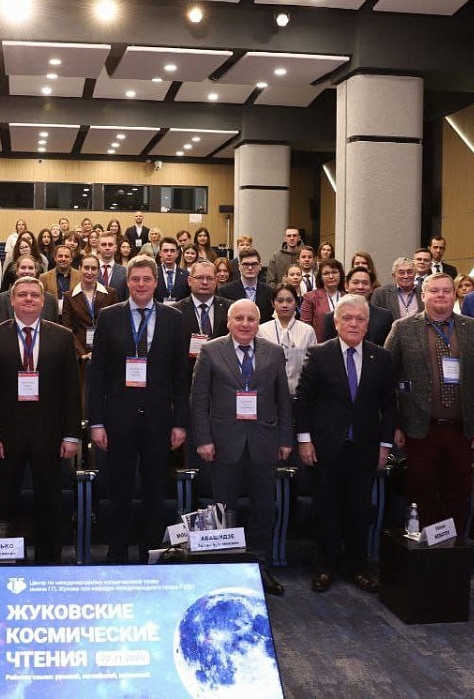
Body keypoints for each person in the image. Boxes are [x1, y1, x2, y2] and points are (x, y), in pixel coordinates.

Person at [86, 255, 191, 562]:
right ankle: (117, 551)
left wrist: (180, 422)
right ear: (127, 282)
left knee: (154, 491)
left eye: (147, 279)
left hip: (159, 420)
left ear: (156, 283)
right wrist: (96, 422)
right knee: (118, 490)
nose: (141, 284)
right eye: (135, 279)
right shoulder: (109, 316)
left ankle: (150, 552)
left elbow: (180, 376)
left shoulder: (174, 318)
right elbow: (97, 373)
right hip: (118, 419)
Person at [295, 294, 396, 594]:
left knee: (359, 510)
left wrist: (385, 445)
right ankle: (325, 565)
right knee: (326, 508)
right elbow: (303, 400)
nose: (353, 323)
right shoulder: (319, 353)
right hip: (325, 447)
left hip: (365, 447)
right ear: (336, 322)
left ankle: (358, 566)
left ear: (368, 324)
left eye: (360, 319)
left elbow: (389, 405)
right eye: (347, 318)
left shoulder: (382, 357)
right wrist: (304, 440)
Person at [191, 299, 292, 596]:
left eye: (251, 319)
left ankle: (260, 567)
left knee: (263, 510)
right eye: (239, 318)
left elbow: (283, 400)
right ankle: (225, 569)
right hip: (224, 443)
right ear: (228, 321)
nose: (245, 324)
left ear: (258, 323)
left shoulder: (274, 352)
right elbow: (198, 400)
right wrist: (203, 439)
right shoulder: (210, 351)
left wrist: (285, 439)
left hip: (264, 442)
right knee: (224, 509)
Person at [383, 273, 474, 538]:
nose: (441, 295)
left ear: (455, 295)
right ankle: (426, 548)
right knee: (421, 491)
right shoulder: (402, 328)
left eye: (447, 290)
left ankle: (450, 549)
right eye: (434, 290)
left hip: (462, 430)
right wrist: (394, 424)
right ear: (423, 295)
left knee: (457, 491)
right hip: (419, 429)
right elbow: (386, 380)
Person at [0, 277, 82, 563]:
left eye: (35, 295)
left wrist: (71, 435)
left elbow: (71, 390)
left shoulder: (62, 336)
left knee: (50, 503)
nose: (28, 299)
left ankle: (48, 565)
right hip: (5, 437)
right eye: (22, 295)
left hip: (49, 434)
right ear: (11, 300)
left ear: (43, 301)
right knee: (5, 503)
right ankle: (6, 563)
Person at [60, 253, 118, 370]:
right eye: (86, 268)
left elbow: (115, 326)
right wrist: (82, 353)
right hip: (80, 357)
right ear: (79, 269)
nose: (89, 272)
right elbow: (68, 329)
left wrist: (102, 350)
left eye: (93, 268)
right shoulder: (68, 296)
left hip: (106, 354)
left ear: (98, 271)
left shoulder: (111, 294)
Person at [174, 261, 233, 373]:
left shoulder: (230, 309)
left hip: (222, 374)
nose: (205, 282)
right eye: (199, 278)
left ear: (216, 281)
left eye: (210, 278)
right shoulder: (175, 311)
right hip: (186, 374)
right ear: (189, 281)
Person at [259, 284, 317, 395]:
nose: (285, 305)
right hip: (269, 392)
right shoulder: (262, 330)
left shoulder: (307, 330)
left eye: (289, 301)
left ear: (296, 303)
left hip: (299, 392)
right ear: (273, 303)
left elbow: (312, 365)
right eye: (280, 301)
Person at [321, 267, 393, 346]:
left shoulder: (384, 317)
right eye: (355, 283)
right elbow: (327, 349)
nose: (360, 287)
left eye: (365, 283)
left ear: (371, 288)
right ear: (346, 286)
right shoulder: (331, 317)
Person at [0, 256, 58, 325]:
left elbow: (54, 329)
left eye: (30, 268)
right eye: (23, 268)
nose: (27, 271)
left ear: (36, 271)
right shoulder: (1, 299)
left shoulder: (50, 300)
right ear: (16, 271)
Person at [219, 247, 273, 322]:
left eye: (254, 264)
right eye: (245, 264)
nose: (250, 268)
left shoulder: (269, 292)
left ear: (260, 267)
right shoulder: (225, 291)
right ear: (239, 266)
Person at [300, 258, 344, 338]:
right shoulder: (310, 297)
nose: (331, 276)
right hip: (319, 343)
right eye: (326, 273)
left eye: (334, 272)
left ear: (340, 274)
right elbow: (305, 328)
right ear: (320, 277)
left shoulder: (347, 297)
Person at [39, 244, 75, 312]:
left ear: (71, 259)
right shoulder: (44, 277)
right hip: (52, 314)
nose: (63, 259)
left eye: (67, 256)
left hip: (73, 315)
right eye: (60, 256)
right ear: (55, 258)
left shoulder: (80, 277)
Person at [154, 238, 190, 304]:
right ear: (160, 253)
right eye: (165, 251)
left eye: (172, 251)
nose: (169, 254)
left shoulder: (186, 275)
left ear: (177, 254)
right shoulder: (153, 274)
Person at [96, 232, 129, 300]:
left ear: (115, 248)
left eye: (110, 244)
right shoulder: (91, 270)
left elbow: (127, 299)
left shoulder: (124, 271)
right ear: (98, 247)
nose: (107, 248)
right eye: (104, 245)